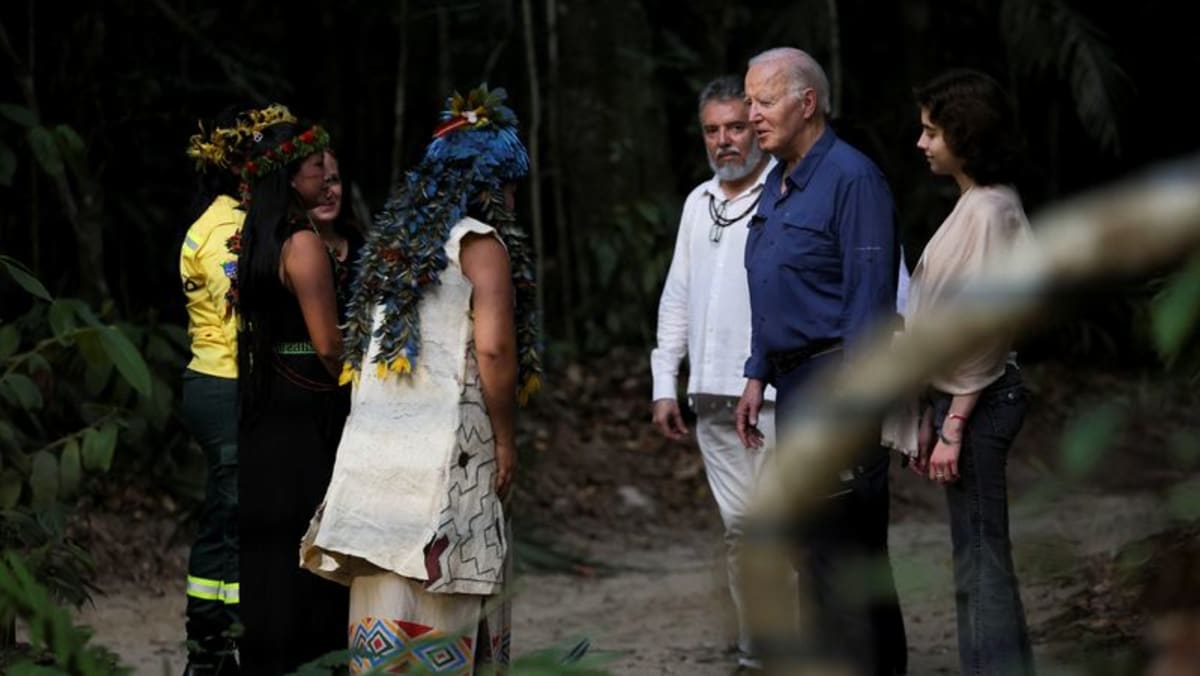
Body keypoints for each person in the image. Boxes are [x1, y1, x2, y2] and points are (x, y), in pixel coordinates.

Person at [301, 84, 541, 675]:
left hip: (379, 449)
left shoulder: (390, 247)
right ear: (489, 185)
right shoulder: (479, 244)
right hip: (449, 447)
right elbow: (494, 347)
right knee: (444, 585)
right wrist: (506, 438)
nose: (513, 200)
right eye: (510, 186)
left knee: (386, 584)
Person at [733, 47, 907, 674]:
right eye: (749, 101)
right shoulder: (777, 183)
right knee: (812, 550)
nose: (752, 115)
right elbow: (772, 283)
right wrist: (757, 371)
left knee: (848, 555)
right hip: (794, 383)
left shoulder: (853, 180)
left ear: (807, 103)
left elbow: (869, 303)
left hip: (837, 382)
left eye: (764, 101)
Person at [909, 68, 1036, 676]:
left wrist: (954, 423)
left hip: (978, 401)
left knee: (981, 560)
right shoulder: (979, 202)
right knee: (978, 556)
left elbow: (985, 327)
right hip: (965, 398)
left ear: (966, 135)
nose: (922, 143)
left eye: (933, 132)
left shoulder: (987, 209)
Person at [649, 74, 777, 671]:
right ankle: (756, 651)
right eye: (712, 130)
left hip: (774, 392)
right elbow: (677, 295)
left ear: (757, 127)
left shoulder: (785, 190)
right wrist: (664, 383)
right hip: (710, 394)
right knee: (741, 529)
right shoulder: (697, 202)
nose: (724, 140)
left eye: (735, 127)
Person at [178, 102, 292, 675]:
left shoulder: (237, 219)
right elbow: (242, 314)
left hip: (221, 383)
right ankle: (212, 647)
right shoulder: (226, 230)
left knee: (232, 513)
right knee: (230, 518)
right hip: (224, 384)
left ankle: (225, 640)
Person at [234, 115, 351, 674]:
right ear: (289, 177)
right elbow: (328, 345)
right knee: (309, 541)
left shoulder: (258, 235)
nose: (326, 178)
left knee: (270, 547)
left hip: (269, 400)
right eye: (315, 168)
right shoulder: (303, 243)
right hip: (307, 408)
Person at [308, 147, 365, 316]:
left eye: (333, 180)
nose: (327, 193)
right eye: (317, 183)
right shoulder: (295, 252)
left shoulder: (357, 241)